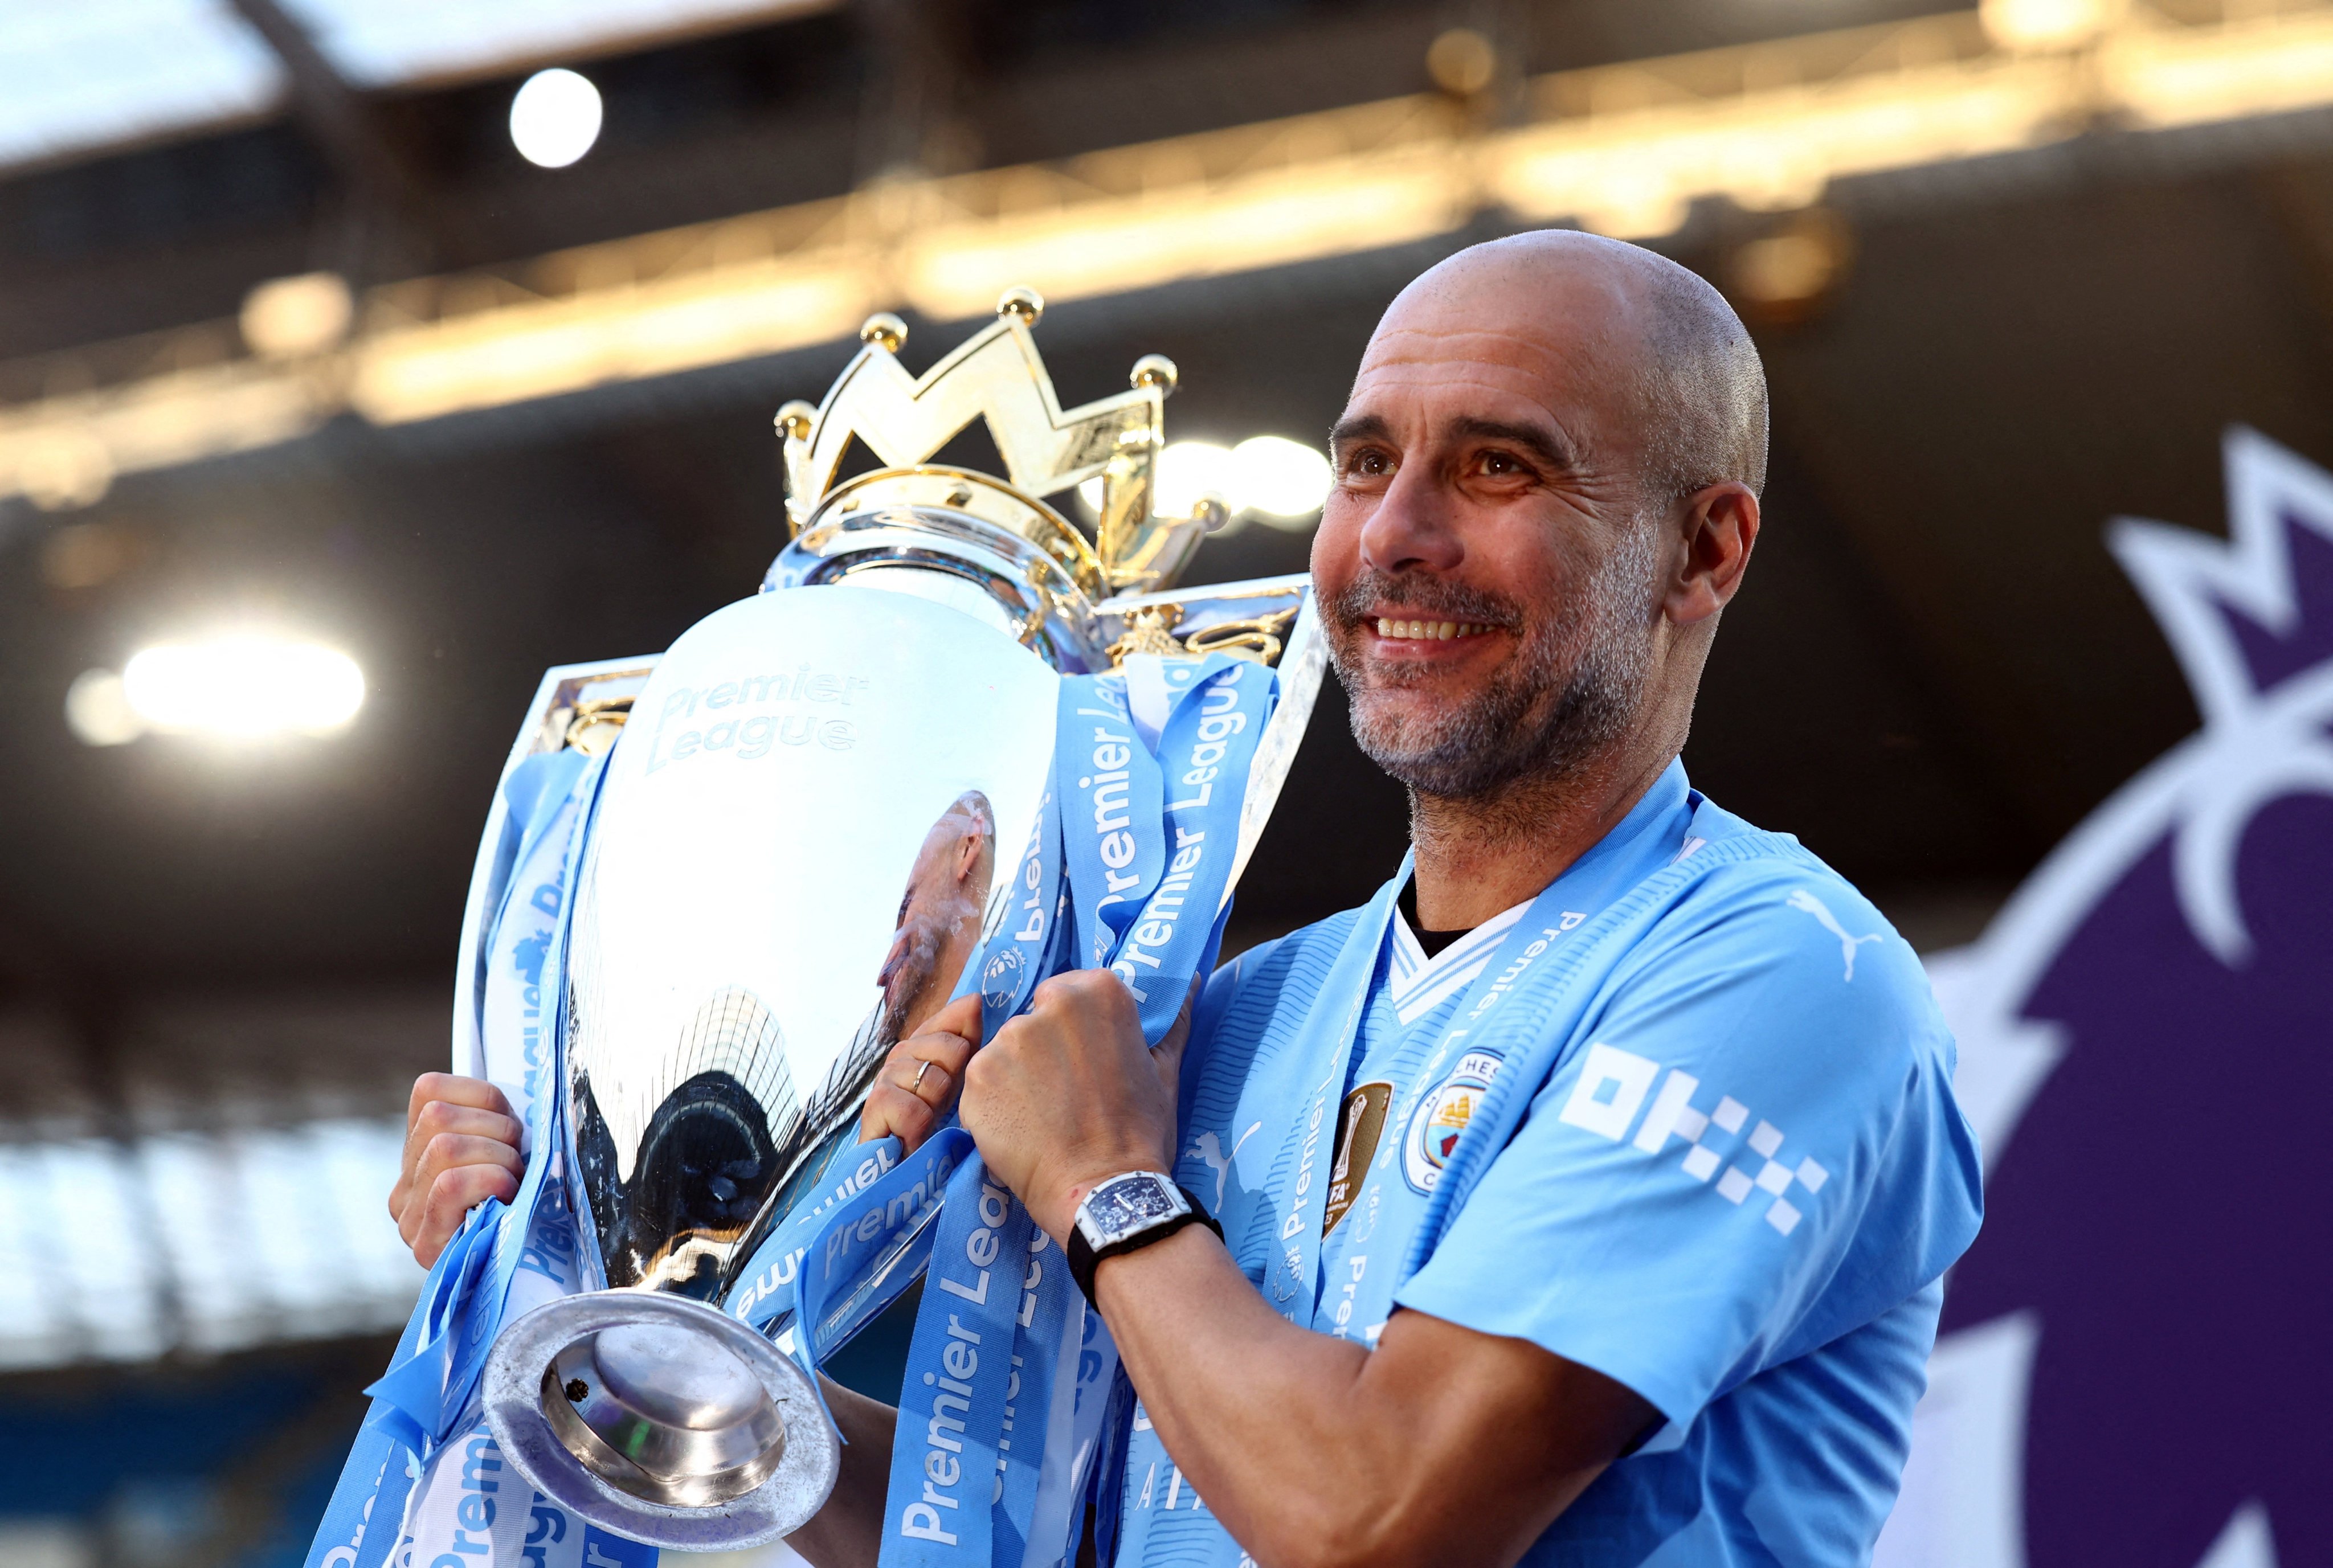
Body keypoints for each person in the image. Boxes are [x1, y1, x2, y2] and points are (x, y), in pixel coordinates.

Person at [395, 231, 1981, 1567]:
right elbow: (1020, 1527)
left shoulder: (1783, 972)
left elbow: (1381, 1516)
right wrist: (616, 1313)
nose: (1397, 537)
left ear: (1704, 549)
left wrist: (1107, 1191)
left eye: (1498, 465)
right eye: (1367, 464)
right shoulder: (1230, 1015)